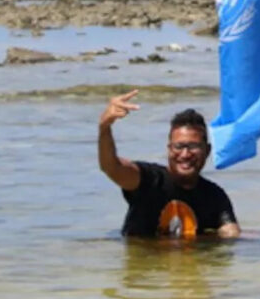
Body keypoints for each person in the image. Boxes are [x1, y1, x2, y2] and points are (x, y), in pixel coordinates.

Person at [97, 90, 241, 239]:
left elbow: (230, 234)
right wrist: (104, 128)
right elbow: (111, 167)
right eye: (179, 146)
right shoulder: (148, 181)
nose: (185, 154)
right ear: (169, 149)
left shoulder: (214, 197)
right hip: (144, 260)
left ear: (208, 150)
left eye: (193, 147)